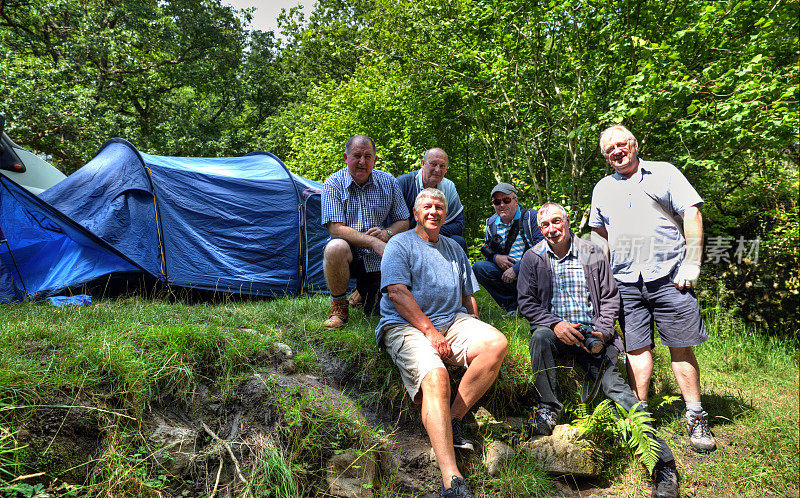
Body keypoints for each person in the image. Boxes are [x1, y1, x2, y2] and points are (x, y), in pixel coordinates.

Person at [517, 202, 678, 498]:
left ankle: (663, 465)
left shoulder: (591, 251)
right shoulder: (533, 257)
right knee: (539, 337)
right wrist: (555, 325)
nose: (551, 229)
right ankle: (549, 407)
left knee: (616, 389)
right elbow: (527, 303)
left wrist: (603, 333)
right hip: (556, 333)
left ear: (567, 222)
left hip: (594, 334)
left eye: (556, 221)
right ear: (539, 229)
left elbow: (610, 298)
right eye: (544, 225)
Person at [589, 124, 716, 453]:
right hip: (625, 281)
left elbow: (692, 213)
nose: (616, 152)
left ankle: (696, 415)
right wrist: (598, 280)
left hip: (672, 276)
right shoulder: (603, 188)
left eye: (621, 144)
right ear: (605, 158)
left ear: (634, 143)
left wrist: (693, 262)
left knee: (681, 346)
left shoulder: (664, 172)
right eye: (609, 150)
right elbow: (599, 237)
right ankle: (640, 418)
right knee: (635, 349)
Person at [376, 188, 508, 498]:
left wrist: (475, 325)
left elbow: (467, 297)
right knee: (436, 376)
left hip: (452, 321)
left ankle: (452, 418)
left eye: (439, 207)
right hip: (405, 324)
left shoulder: (454, 248)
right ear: (416, 213)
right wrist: (430, 333)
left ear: (445, 214)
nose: (434, 212)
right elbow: (396, 293)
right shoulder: (399, 244)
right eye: (428, 207)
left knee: (496, 343)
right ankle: (452, 480)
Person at [321, 134, 409, 328]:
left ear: (375, 159)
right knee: (334, 246)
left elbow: (403, 221)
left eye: (368, 156)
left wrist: (387, 234)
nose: (362, 161)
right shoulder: (332, 184)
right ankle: (339, 306)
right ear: (346, 157)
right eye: (357, 155)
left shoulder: (389, 182)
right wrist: (373, 241)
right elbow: (335, 230)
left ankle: (361, 293)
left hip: (378, 259)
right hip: (350, 256)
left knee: (376, 314)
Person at [472, 182, 543, 316]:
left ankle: (531, 303)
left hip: (531, 270)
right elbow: (489, 249)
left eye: (506, 200)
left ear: (516, 200)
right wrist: (495, 257)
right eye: (497, 202)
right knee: (479, 267)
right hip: (506, 273)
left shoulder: (530, 217)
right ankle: (513, 306)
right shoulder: (491, 223)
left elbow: (542, 247)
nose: (502, 205)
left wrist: (517, 269)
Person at [396, 147, 467, 254]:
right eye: (433, 164)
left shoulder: (449, 187)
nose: (437, 170)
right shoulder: (403, 183)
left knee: (459, 241)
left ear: (446, 169)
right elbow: (393, 222)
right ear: (422, 164)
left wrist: (432, 232)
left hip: (438, 239)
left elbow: (459, 224)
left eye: (442, 166)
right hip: (408, 241)